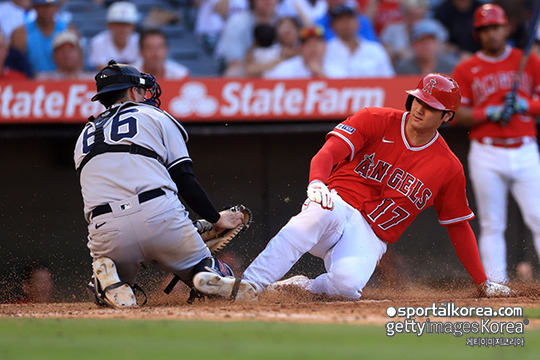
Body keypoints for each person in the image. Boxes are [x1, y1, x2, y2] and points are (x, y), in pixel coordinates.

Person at [201, 73, 514, 300]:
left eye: (431, 106)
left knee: (347, 287)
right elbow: (329, 153)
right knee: (316, 215)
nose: (420, 108)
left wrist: (481, 281)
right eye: (418, 99)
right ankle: (250, 285)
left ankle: (301, 286)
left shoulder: (448, 167)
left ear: (447, 116)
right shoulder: (375, 119)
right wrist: (317, 182)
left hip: (370, 235)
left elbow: (458, 227)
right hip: (336, 204)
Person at [74, 60, 256, 308]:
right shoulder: (154, 115)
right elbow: (184, 179)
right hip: (159, 214)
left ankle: (109, 278)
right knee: (207, 271)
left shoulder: (83, 136)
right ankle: (205, 273)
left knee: (107, 294)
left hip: (106, 228)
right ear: (131, 91)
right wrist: (215, 219)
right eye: (141, 90)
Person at [451, 4, 540, 284]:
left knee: (538, 217)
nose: (491, 33)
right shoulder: (466, 69)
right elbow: (455, 114)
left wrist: (527, 105)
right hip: (486, 150)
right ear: (478, 34)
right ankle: (495, 284)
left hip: (525, 148)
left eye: (495, 27)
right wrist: (487, 113)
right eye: (485, 29)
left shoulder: (528, 61)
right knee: (492, 224)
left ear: (506, 28)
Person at [324, 4, 394, 78]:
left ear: (358, 22)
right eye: (341, 20)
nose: (346, 23)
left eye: (350, 19)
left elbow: (388, 79)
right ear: (333, 25)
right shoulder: (325, 50)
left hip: (371, 88)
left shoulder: (375, 49)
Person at [215, 0, 280, 77]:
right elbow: (234, 63)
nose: (268, 1)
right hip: (247, 74)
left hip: (282, 72)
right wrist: (277, 62)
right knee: (234, 73)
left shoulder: (286, 22)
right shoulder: (236, 23)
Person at [10, 0, 70, 74]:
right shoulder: (20, 34)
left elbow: (77, 66)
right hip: (30, 82)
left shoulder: (68, 30)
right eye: (42, 6)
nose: (47, 10)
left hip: (62, 81)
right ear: (34, 7)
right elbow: (15, 68)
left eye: (50, 6)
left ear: (56, 7)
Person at [88, 1, 142, 71]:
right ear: (109, 25)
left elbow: (142, 68)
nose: (122, 29)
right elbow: (100, 68)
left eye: (126, 25)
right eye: (117, 24)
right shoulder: (98, 41)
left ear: (133, 26)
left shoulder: (140, 41)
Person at [264, 25, 328, 79]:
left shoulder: (334, 66)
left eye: (317, 43)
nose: (313, 47)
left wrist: (321, 75)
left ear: (325, 46)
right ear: (300, 48)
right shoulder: (285, 69)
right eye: (308, 43)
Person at [379, 0, 430, 64]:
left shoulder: (434, 28)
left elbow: (442, 51)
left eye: (419, 16)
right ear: (405, 14)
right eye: (412, 15)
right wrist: (397, 53)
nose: (416, 20)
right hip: (397, 68)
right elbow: (383, 55)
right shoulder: (391, 29)